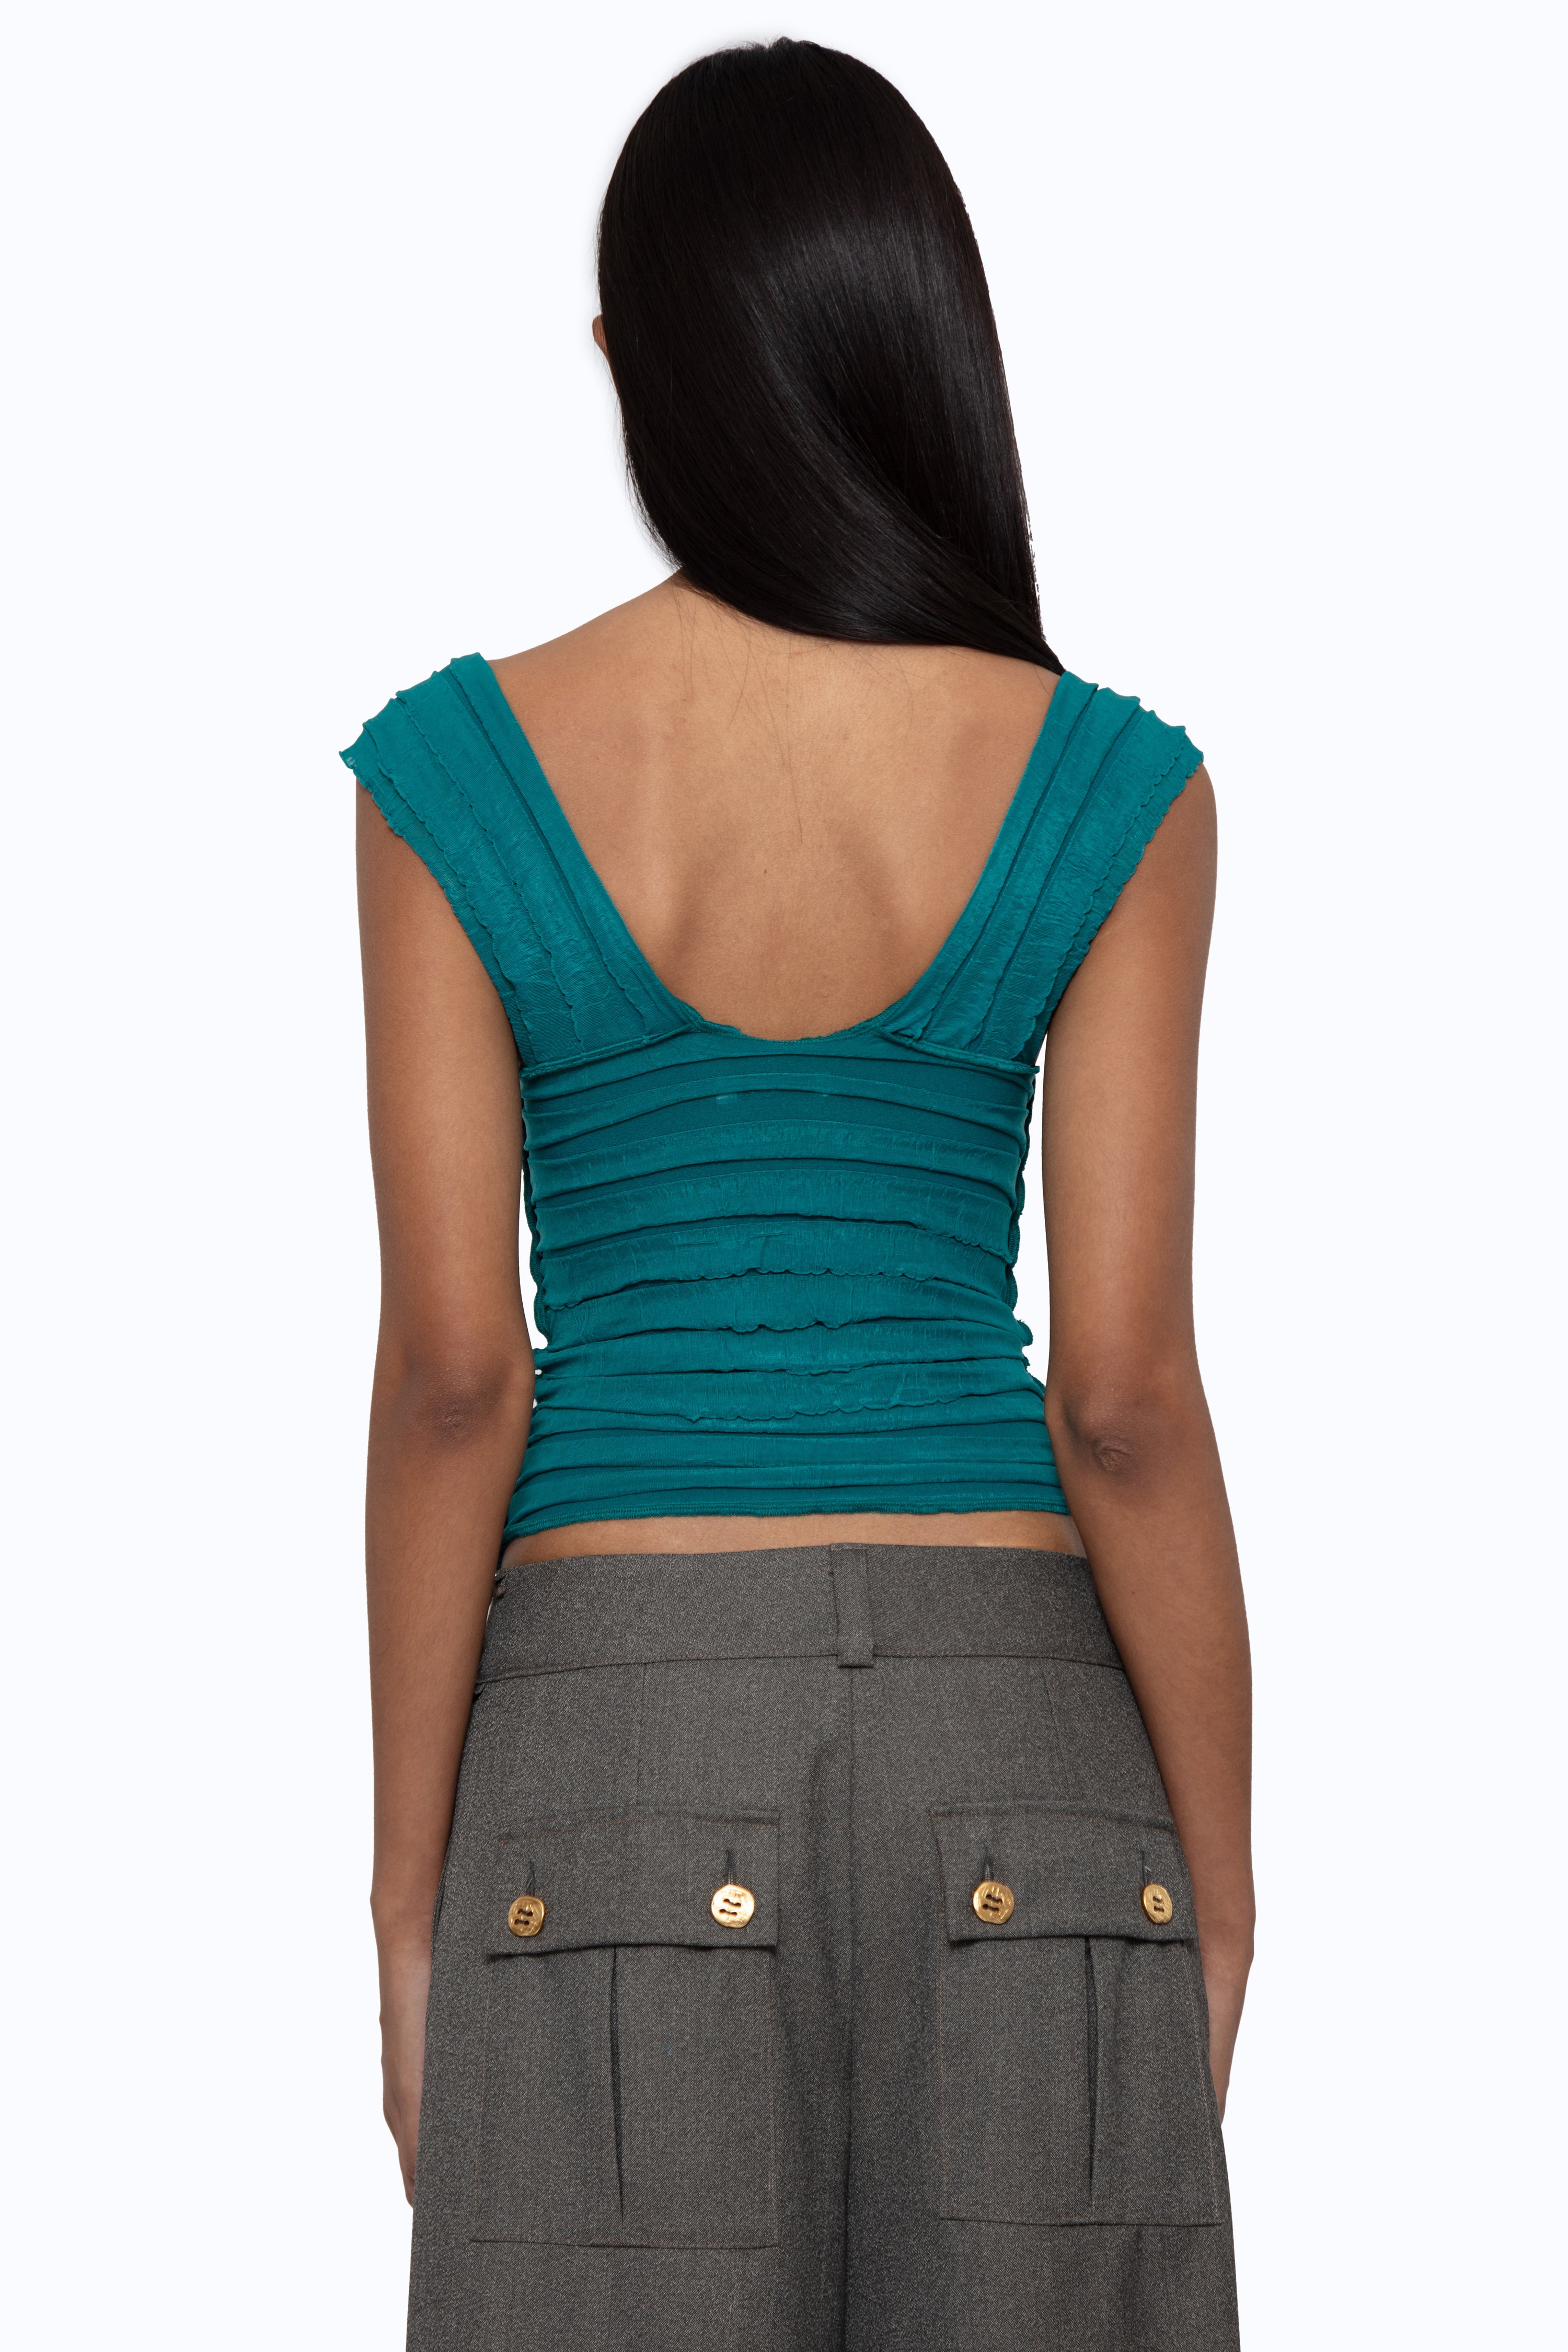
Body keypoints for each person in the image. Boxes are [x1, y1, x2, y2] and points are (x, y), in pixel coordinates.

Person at [344, 37, 1251, 2352]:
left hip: (607, 1747)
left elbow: (457, 1381)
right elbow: (1125, 1398)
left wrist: (406, 1896)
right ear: (917, 338)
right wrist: (1222, 1886)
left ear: (631, 363)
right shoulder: (1115, 786)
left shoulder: (457, 770)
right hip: (1024, 1749)